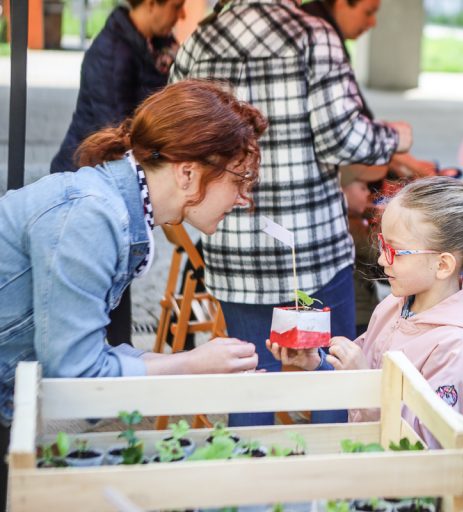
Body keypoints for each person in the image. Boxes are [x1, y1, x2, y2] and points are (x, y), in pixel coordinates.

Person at [0, 79, 265, 504]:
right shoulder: (92, 215)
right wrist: (191, 364)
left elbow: (87, 356)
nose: (243, 198)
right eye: (239, 179)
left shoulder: (113, 209)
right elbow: (78, 380)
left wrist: (191, 363)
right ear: (187, 172)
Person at [170, 0, 412, 427]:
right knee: (331, 380)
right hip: (313, 244)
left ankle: (253, 487)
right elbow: (344, 140)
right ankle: (332, 487)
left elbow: (176, 137)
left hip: (233, 245)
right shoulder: (313, 35)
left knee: (251, 380)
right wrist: (395, 137)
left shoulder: (198, 42)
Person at [267, 176, 463, 447]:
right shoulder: (396, 304)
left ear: (442, 265)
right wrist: (318, 363)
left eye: (395, 251)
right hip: (366, 464)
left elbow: (425, 445)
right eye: (382, 244)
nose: (381, 259)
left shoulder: (459, 347)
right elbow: (360, 373)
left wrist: (364, 383)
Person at [50, 0, 186, 347]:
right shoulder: (115, 52)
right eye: (176, 6)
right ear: (152, 4)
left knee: (114, 289)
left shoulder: (141, 44)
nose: (180, 15)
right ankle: (107, 374)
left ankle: (114, 370)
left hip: (106, 185)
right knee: (103, 299)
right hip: (89, 185)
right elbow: (117, 134)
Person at [301, 0, 437, 179]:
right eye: (368, 12)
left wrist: (409, 163)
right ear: (341, 3)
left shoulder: (317, 28)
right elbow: (345, 134)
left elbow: (358, 119)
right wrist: (400, 146)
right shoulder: (320, 35)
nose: (373, 22)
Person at [341, 168, 387, 337]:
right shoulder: (350, 225)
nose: (368, 192)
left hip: (360, 310)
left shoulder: (355, 222)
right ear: (342, 191)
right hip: (359, 313)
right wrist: (383, 222)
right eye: (362, 188)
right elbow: (376, 254)